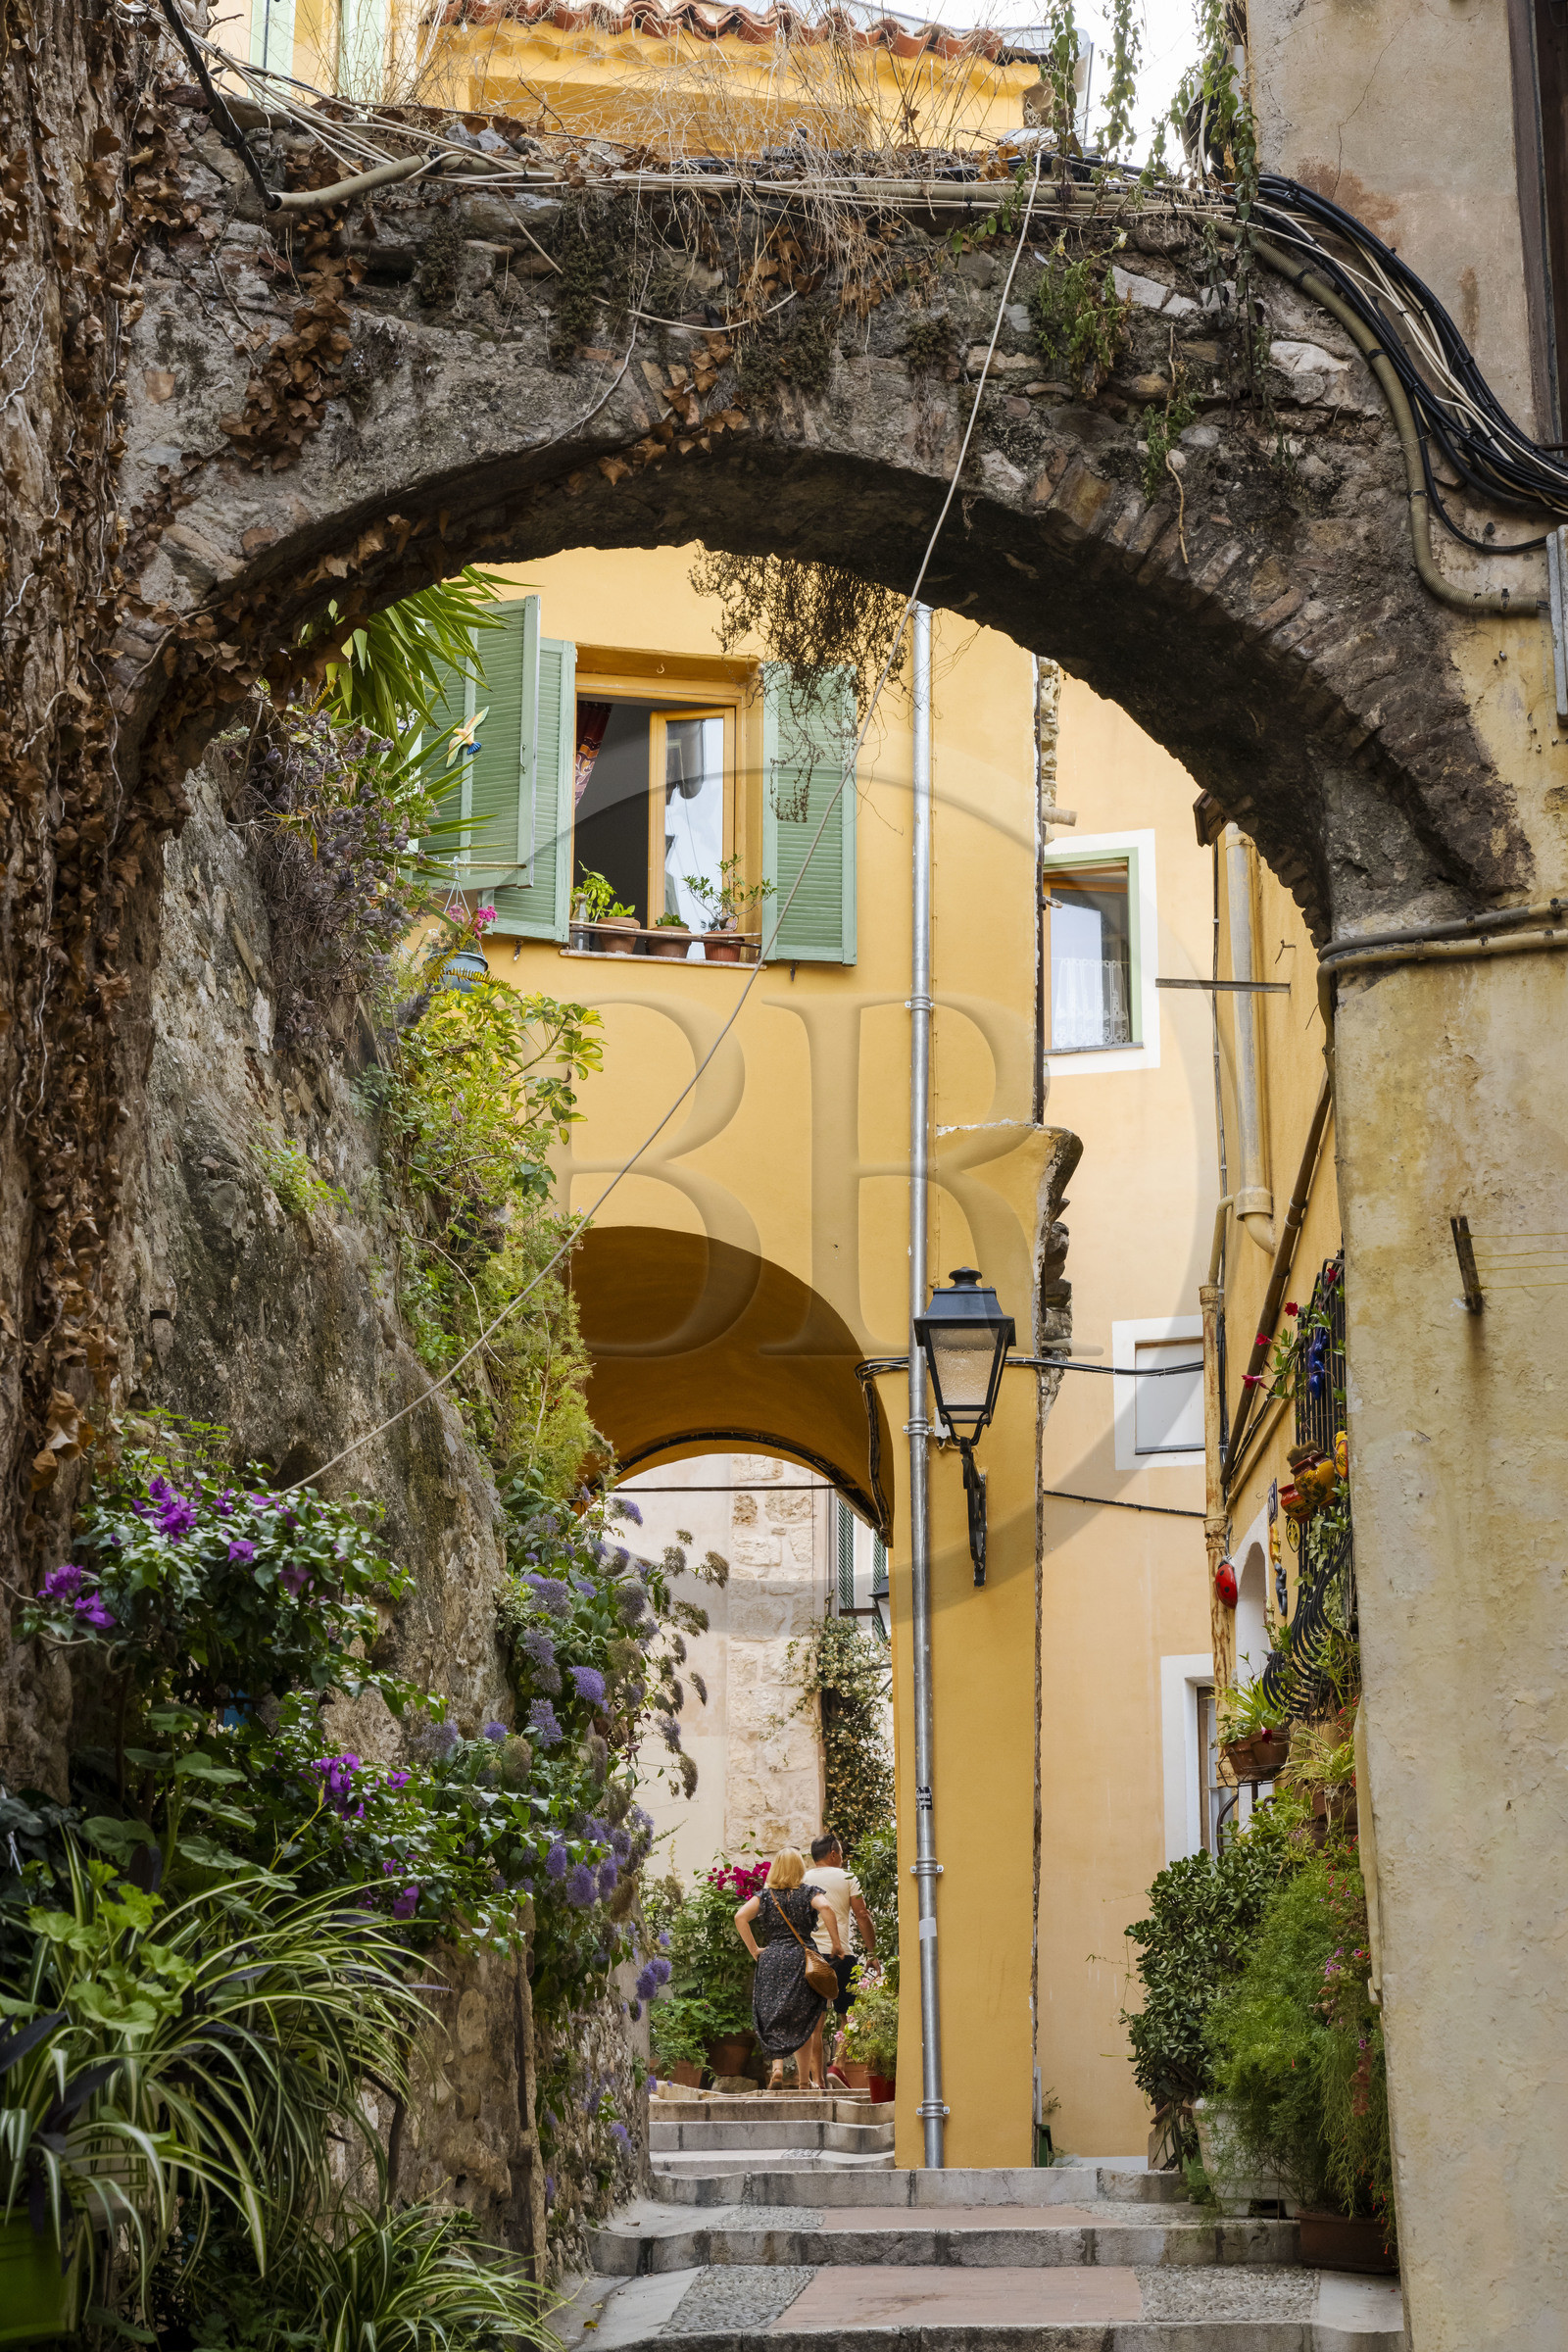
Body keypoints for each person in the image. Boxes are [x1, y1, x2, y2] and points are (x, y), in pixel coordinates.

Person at [733, 1848, 844, 2092]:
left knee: (774, 2016)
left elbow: (740, 1916)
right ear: (799, 1869)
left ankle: (778, 2069)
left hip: (772, 1959)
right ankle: (804, 2082)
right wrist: (836, 1943)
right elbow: (826, 1908)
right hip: (801, 1960)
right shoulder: (808, 1893)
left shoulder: (765, 1896)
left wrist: (755, 1950)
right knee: (803, 2020)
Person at [805, 1832, 876, 2086]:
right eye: (842, 1855)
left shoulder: (803, 1879)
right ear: (833, 1854)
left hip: (811, 1956)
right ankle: (839, 2065)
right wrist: (872, 1953)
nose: (843, 1860)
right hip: (842, 1953)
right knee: (849, 2014)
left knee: (816, 2018)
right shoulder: (847, 1876)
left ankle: (817, 2079)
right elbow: (862, 1914)